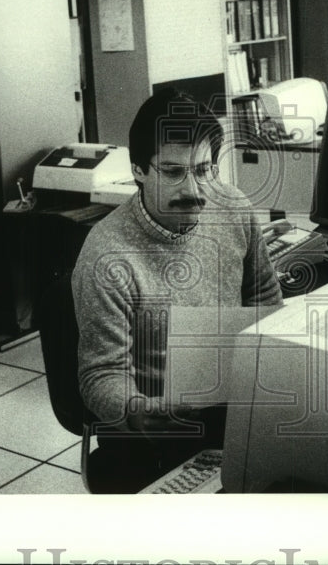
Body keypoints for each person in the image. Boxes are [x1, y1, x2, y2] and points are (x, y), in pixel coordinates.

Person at [72, 88, 282, 492]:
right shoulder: (106, 256)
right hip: (153, 424)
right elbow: (101, 374)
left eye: (204, 169)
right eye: (172, 172)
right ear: (137, 171)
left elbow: (266, 305)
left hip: (234, 401)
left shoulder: (234, 208)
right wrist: (137, 409)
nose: (195, 190)